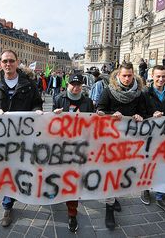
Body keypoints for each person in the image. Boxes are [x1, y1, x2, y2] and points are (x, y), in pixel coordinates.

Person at [0, 49, 43, 227]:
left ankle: (16, 197)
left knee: (20, 166)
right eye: (4, 61)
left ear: (17, 62)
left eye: (11, 61)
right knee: (6, 168)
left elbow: (36, 103)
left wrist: (35, 111)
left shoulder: (29, 84)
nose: (8, 64)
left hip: (23, 134)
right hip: (1, 136)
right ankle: (8, 205)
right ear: (0, 63)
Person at [97, 62, 146, 229]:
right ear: (118, 75)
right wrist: (111, 115)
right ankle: (109, 209)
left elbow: (144, 111)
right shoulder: (108, 91)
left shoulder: (139, 94)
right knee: (111, 173)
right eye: (124, 75)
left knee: (122, 173)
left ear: (134, 76)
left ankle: (115, 197)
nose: (126, 78)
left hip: (129, 141)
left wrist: (140, 115)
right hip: (110, 141)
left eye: (129, 75)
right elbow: (100, 111)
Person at [52, 74, 95, 232]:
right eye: (73, 84)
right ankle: (56, 191)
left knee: (73, 178)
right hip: (61, 145)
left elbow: (93, 122)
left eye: (79, 85)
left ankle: (72, 213)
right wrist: (54, 115)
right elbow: (50, 122)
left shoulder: (87, 102)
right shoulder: (58, 98)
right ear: (68, 84)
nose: (76, 87)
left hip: (79, 146)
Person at [141, 65, 165, 216]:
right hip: (149, 135)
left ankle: (161, 196)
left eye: (164, 76)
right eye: (158, 76)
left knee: (164, 165)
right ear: (152, 76)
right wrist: (151, 114)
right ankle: (145, 189)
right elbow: (140, 113)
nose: (161, 79)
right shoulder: (145, 93)